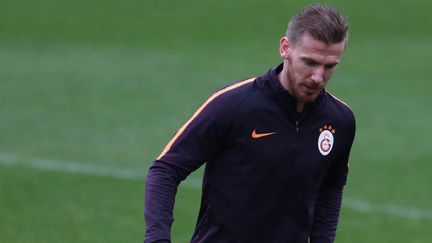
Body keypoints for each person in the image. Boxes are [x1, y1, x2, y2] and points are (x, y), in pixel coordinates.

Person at [145, 3, 356, 243]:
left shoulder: (339, 121)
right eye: (309, 62)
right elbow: (166, 170)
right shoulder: (234, 105)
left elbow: (331, 186)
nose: (318, 77)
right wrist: (157, 239)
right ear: (285, 48)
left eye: (329, 67)